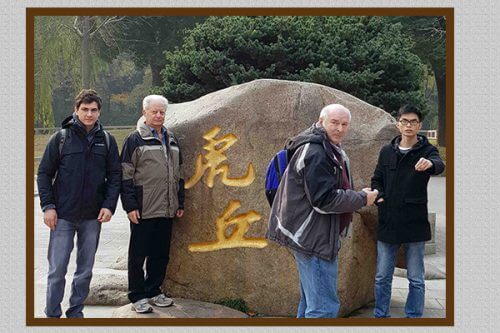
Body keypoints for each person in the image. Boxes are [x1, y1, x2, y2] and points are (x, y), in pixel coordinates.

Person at [266, 104, 378, 318]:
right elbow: (324, 200)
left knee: (311, 302)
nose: (340, 128)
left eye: (345, 124)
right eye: (334, 122)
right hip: (313, 239)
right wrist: (363, 198)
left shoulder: (328, 146)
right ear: (321, 121)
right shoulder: (316, 151)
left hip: (312, 235)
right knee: (323, 308)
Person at [37, 89, 121, 318]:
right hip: (62, 215)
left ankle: (75, 313)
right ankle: (52, 315)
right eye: (84, 109)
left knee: (84, 271)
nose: (89, 114)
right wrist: (48, 207)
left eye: (93, 110)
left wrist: (108, 205)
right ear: (76, 110)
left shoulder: (107, 141)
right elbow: (44, 174)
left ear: (99, 112)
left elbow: (115, 176)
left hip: (93, 217)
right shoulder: (61, 138)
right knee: (57, 270)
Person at [371, 104, 445, 318]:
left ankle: (413, 317)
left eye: (413, 121)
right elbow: (377, 179)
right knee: (382, 276)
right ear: (398, 124)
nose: (409, 125)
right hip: (389, 220)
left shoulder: (427, 150)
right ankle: (380, 315)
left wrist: (429, 164)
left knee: (415, 277)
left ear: (419, 125)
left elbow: (439, 165)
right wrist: (381, 198)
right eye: (404, 121)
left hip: (414, 222)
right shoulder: (387, 151)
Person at [120, 95, 185, 313]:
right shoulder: (135, 140)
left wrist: (180, 201)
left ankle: (154, 290)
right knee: (138, 254)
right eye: (154, 112)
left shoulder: (172, 139)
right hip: (143, 208)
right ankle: (137, 295)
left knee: (160, 252)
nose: (158, 116)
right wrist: (130, 206)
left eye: (162, 112)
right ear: (145, 112)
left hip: (167, 207)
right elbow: (125, 176)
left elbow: (179, 174)